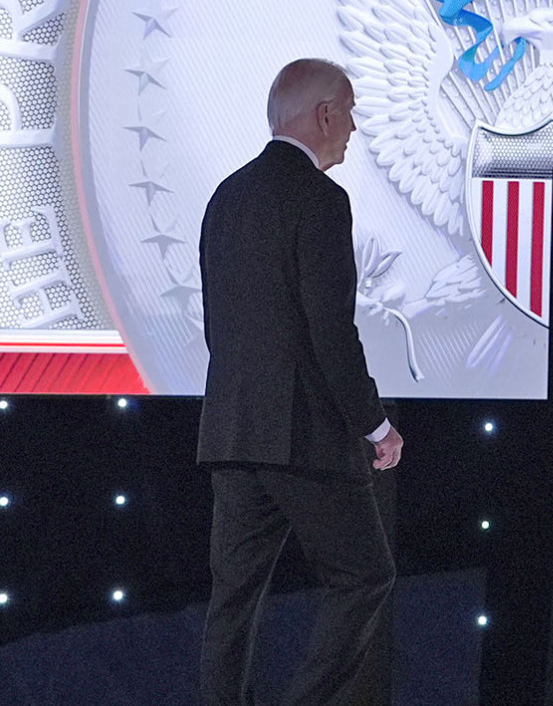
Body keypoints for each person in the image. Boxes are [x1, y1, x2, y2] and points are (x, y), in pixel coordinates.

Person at [196, 58, 403, 706]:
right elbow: (330, 333)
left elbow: (219, 325)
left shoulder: (226, 195)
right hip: (302, 436)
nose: (353, 128)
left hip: (230, 432)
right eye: (350, 111)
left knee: (233, 599)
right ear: (323, 115)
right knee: (366, 575)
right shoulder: (319, 198)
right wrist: (375, 423)